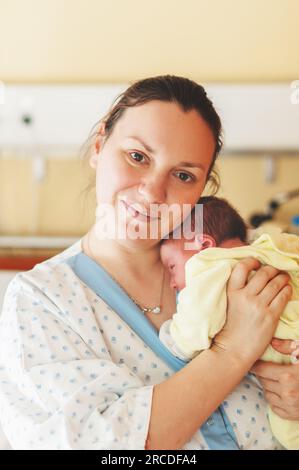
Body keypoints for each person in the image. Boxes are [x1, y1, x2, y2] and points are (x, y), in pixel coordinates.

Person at [0, 75, 295, 450]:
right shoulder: (43, 302)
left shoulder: (235, 265)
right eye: (137, 157)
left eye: (183, 175)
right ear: (98, 145)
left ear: (201, 188)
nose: (153, 191)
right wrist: (231, 352)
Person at [159, 196, 299, 449]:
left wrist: (172, 336)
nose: (171, 282)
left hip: (281, 347)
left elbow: (195, 329)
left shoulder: (207, 266)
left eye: (171, 266)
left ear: (202, 244)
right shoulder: (268, 250)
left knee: (287, 432)